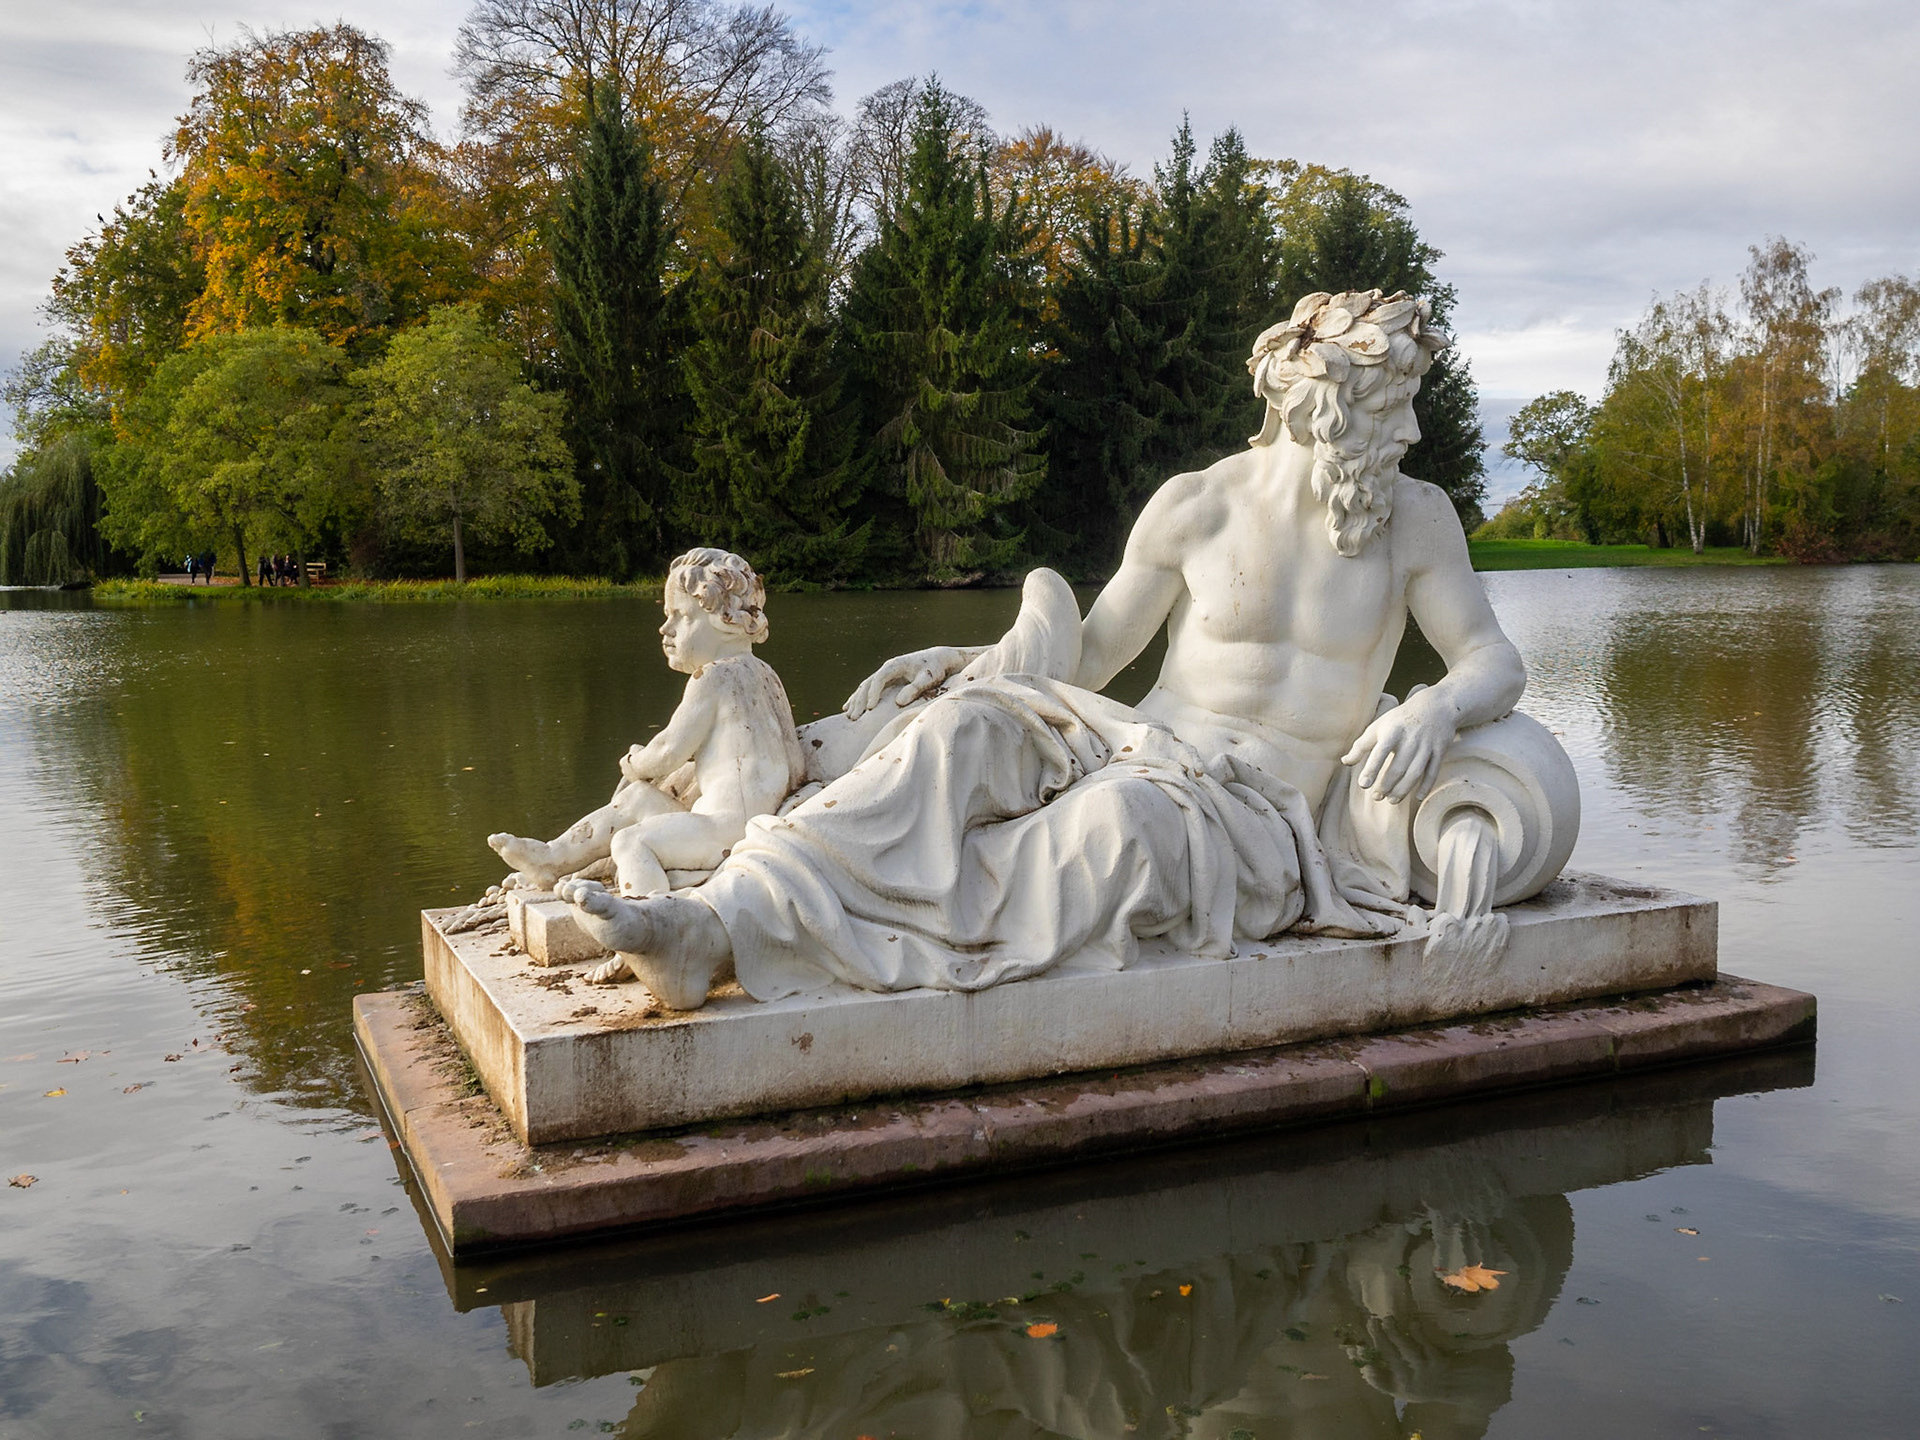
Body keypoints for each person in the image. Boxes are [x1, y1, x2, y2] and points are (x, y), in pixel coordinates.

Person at [558, 291, 1553, 1011]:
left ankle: (751, 937)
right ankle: (720, 918)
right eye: (1392, 404)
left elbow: (1493, 661)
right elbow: (1086, 659)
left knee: (1109, 822)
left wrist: (1436, 707)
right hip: (1127, 736)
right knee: (965, 730)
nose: (1413, 427)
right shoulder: (1196, 507)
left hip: (1252, 810)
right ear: (1317, 403)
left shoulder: (1415, 523)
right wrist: (969, 662)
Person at [489, 549, 806, 983]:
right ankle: (552, 858)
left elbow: (669, 751)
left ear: (723, 621)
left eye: (680, 616)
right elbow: (789, 754)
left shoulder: (713, 677)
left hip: (725, 830)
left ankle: (652, 930)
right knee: (637, 799)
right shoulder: (766, 674)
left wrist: (634, 761)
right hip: (749, 819)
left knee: (632, 843)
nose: (666, 627)